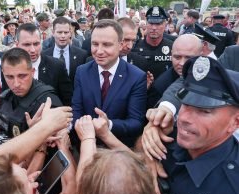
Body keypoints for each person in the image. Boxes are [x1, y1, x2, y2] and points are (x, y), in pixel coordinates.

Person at [140, 56, 239, 194]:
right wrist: (148, 149)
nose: (184, 118)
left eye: (204, 111)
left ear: (235, 123)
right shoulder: (172, 138)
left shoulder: (232, 188)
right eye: (185, 104)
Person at [72, 19, 147, 147]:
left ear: (120, 44)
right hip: (86, 147)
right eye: (95, 44)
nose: (99, 51)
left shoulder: (137, 76)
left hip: (119, 151)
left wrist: (109, 124)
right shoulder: (82, 71)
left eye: (106, 45)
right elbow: (76, 111)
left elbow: (136, 123)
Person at [0, 48, 62, 138]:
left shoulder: (47, 103)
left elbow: (58, 147)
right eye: (9, 77)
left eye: (22, 76)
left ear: (32, 72)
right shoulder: (6, 97)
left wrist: (36, 134)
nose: (16, 84)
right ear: (3, 73)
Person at [16, 23, 72, 106]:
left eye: (36, 44)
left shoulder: (57, 66)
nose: (32, 49)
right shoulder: (10, 68)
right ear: (17, 45)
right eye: (27, 44)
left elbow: (67, 100)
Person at [147, 34, 202, 109]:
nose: (182, 63)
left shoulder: (211, 75)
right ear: (171, 54)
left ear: (201, 56)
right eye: (177, 57)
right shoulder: (160, 87)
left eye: (188, 58)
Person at [43, 17, 87, 86]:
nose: (63, 36)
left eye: (66, 32)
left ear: (70, 33)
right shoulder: (44, 56)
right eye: (59, 32)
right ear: (53, 33)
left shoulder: (81, 55)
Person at [133, 6, 173, 80]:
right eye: (151, 23)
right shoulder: (135, 46)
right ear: (146, 24)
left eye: (158, 24)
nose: (154, 28)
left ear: (165, 25)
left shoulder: (173, 47)